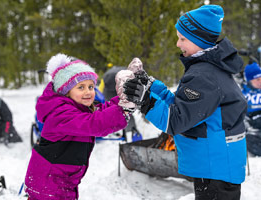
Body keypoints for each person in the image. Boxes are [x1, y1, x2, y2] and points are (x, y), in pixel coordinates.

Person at [122, 5, 247, 200]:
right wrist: (151, 87)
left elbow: (176, 121)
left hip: (215, 169)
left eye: (183, 39)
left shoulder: (204, 76)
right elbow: (187, 108)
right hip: (217, 165)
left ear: (200, 41)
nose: (178, 44)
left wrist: (145, 100)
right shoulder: (208, 70)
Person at [24, 53, 131, 200]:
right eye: (81, 87)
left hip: (61, 182)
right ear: (66, 92)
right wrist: (123, 110)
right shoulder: (61, 114)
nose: (88, 92)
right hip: (49, 184)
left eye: (91, 86)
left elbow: (101, 110)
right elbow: (94, 123)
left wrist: (124, 100)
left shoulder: (79, 108)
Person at [242, 62, 261, 156]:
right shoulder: (243, 94)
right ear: (249, 81)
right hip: (252, 125)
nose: (260, 82)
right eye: (257, 79)